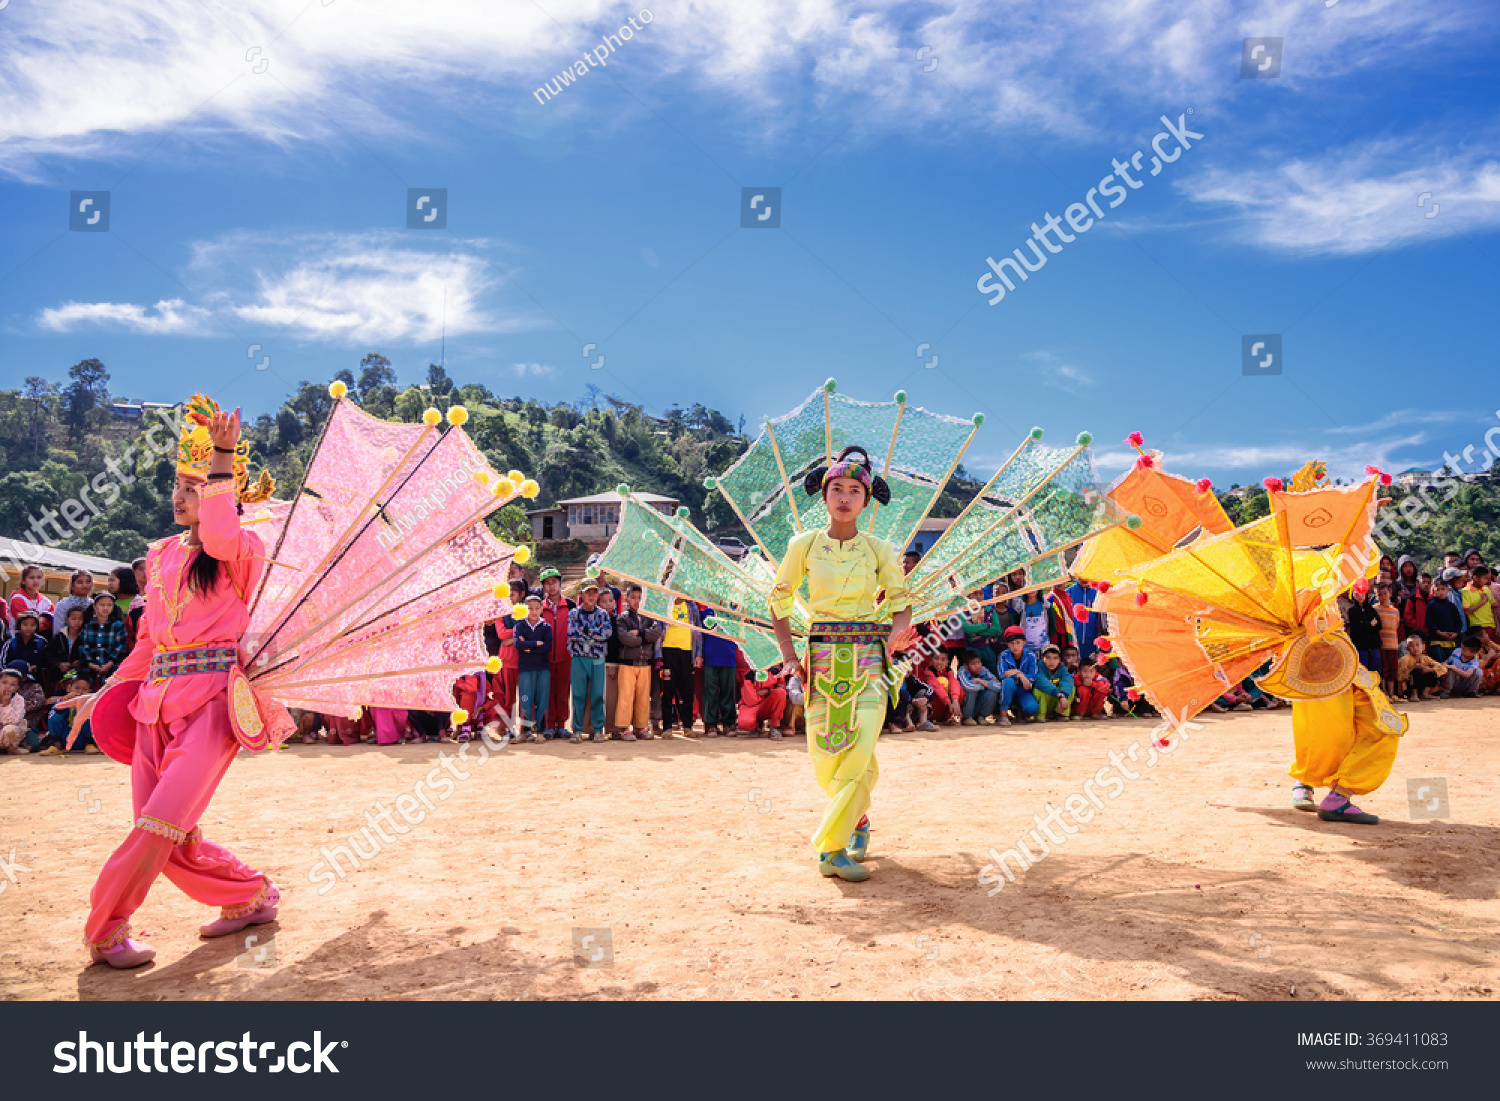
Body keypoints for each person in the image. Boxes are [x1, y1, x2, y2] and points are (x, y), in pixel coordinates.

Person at [60, 400, 281, 968]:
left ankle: (104, 929)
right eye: (178, 485)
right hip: (152, 704)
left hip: (211, 704)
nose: (181, 496)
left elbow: (222, 531)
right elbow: (147, 642)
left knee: (158, 826)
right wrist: (104, 691)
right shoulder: (157, 556)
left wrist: (223, 458)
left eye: (195, 486)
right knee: (168, 835)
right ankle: (249, 896)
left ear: (220, 492)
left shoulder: (240, 552)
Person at [769, 445, 910, 883]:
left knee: (862, 748)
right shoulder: (803, 545)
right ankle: (858, 820)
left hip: (869, 657)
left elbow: (901, 604)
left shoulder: (880, 549)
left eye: (854, 490)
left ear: (867, 500)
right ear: (823, 495)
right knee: (826, 756)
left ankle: (831, 850)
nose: (845, 497)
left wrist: (895, 633)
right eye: (836, 489)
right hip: (821, 658)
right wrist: (790, 657)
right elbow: (780, 602)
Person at [614, 583, 664, 742]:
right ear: (627, 599)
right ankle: (624, 728)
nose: (636, 601)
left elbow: (657, 633)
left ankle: (641, 727)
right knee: (625, 697)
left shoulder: (650, 617)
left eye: (640, 598)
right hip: (627, 663)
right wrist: (646, 639)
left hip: (645, 663)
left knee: (643, 697)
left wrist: (640, 634)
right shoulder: (622, 618)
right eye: (633, 598)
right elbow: (625, 638)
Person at [567, 579, 613, 744]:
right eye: (588, 592)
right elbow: (572, 634)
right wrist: (594, 633)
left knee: (597, 694)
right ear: (581, 594)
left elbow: (606, 633)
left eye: (594, 592)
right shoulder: (574, 613)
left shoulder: (602, 614)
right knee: (578, 694)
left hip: (598, 658)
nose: (591, 595)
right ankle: (577, 730)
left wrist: (585, 631)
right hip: (579, 658)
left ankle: (598, 729)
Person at [657, 596, 702, 736]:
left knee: (687, 691)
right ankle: (667, 727)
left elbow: (698, 631)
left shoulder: (691, 606)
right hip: (668, 651)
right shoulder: (663, 604)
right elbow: (658, 631)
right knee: (667, 690)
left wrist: (698, 654)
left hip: (687, 652)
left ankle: (687, 727)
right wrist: (658, 656)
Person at [537, 568, 572, 739]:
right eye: (547, 583)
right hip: (545, 658)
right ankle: (550, 725)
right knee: (548, 692)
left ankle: (562, 725)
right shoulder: (539, 608)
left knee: (564, 692)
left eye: (554, 582)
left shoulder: (571, 606)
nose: (551, 586)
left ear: (560, 583)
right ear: (543, 586)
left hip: (566, 657)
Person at [514, 592, 553, 741]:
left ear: (542, 609)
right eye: (530, 608)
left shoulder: (546, 627)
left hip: (542, 668)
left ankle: (541, 732)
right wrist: (537, 643)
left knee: (542, 700)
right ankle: (524, 731)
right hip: (525, 668)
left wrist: (528, 646)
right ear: (524, 609)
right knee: (525, 700)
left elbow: (548, 647)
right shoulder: (519, 626)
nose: (534, 611)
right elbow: (518, 644)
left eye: (537, 608)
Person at [36, 671, 99, 755]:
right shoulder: (62, 701)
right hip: (64, 737)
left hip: (82, 738)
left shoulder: (92, 703)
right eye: (76, 688)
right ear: (69, 688)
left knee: (89, 715)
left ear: (90, 692)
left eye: (84, 689)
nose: (80, 692)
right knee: (53, 715)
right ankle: (56, 746)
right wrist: (64, 704)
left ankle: (90, 745)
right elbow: (54, 719)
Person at [700, 612, 740, 737]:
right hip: (710, 657)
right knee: (710, 692)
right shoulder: (706, 613)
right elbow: (699, 636)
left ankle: (728, 723)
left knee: (728, 692)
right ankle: (711, 724)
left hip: (728, 657)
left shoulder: (733, 613)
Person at [77, 592, 128, 681]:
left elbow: (121, 647)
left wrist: (109, 664)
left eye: (109, 605)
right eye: (102, 605)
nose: (105, 608)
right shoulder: (87, 626)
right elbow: (83, 646)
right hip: (88, 673)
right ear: (94, 606)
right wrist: (90, 664)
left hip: (112, 671)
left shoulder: (118, 626)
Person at [996, 625, 1040, 725]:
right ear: (1007, 644)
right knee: (1008, 682)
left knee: (1032, 708)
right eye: (1012, 643)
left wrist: (1019, 675)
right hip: (1008, 689)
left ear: (1024, 642)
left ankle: (1020, 713)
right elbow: (1002, 674)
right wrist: (1019, 674)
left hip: (1023, 689)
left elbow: (1032, 677)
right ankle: (1003, 714)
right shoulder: (1003, 655)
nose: (1015, 646)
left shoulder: (1031, 656)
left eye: (1018, 643)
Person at [45, 604, 89, 689]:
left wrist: (81, 662)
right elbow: (48, 654)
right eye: (73, 619)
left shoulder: (85, 637)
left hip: (79, 677)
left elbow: (90, 653)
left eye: (80, 619)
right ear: (67, 620)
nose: (77, 622)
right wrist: (58, 664)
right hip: (60, 676)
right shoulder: (59, 637)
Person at [956, 650, 1003, 724]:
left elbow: (999, 686)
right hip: (967, 706)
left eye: (979, 663)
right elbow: (968, 686)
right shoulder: (962, 671)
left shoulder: (984, 670)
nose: (977, 666)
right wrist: (988, 685)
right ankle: (967, 717)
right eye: (973, 664)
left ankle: (982, 716)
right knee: (971, 692)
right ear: (966, 666)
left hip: (979, 703)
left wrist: (982, 682)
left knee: (992, 692)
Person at [599, 587, 621, 740]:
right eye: (604, 602)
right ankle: (596, 728)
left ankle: (613, 728)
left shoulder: (619, 620)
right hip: (599, 661)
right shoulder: (596, 619)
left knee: (614, 698)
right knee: (598, 697)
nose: (608, 604)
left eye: (610, 601)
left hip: (615, 662)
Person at [1344, 582, 1382, 673]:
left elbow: (1379, 625)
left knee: (1375, 671)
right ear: (1353, 594)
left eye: (1362, 594)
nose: (1360, 597)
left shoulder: (1371, 609)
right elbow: (1357, 627)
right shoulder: (1352, 610)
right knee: (1362, 671)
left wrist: (1366, 625)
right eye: (1357, 594)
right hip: (1360, 646)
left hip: (1373, 645)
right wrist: (1370, 624)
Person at [738, 668, 787, 734]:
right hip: (752, 705)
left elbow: (782, 688)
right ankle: (756, 726)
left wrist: (768, 691)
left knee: (781, 693)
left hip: (767, 703)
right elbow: (751, 701)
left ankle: (774, 727)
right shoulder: (749, 675)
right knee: (745, 722)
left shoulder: (775, 672)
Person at [1032, 643, 1075, 720]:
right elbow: (1041, 682)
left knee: (1071, 688)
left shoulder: (1062, 668)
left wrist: (1064, 695)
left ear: (1059, 659)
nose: (1052, 661)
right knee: (1037, 691)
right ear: (1042, 659)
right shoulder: (1038, 667)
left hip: (1058, 702)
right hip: (1048, 700)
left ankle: (1061, 714)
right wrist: (1059, 695)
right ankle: (1041, 715)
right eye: (1048, 658)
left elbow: (1068, 681)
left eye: (1055, 658)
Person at [1397, 634, 1446, 701]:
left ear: (1423, 647)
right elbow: (1399, 677)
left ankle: (1425, 693)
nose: (1415, 648)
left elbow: (1443, 668)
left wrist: (1428, 669)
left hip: (1422, 686)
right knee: (1416, 671)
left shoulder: (1426, 658)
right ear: (1407, 648)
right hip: (1408, 687)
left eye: (1417, 645)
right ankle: (1413, 694)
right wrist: (1412, 668)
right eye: (1411, 646)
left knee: (1432, 671)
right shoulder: (1404, 660)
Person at [0, 610, 47, 679]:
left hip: (35, 680)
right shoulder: (11, 643)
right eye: (25, 625)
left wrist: (37, 667)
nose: (29, 628)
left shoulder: (42, 642)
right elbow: (2, 663)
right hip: (13, 680)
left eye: (32, 625)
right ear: (19, 625)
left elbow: (46, 661)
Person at [1425, 578, 1464, 661]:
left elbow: (1458, 622)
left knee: (1453, 664)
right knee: (1440, 665)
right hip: (1436, 640)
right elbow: (1428, 621)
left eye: (1443, 589)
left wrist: (1456, 633)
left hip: (1451, 640)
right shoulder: (1431, 605)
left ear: (1448, 590)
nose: (1441, 592)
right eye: (1438, 590)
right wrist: (1438, 632)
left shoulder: (1452, 606)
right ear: (1434, 591)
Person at [9, 565, 55, 632]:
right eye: (31, 578)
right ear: (23, 581)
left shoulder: (46, 602)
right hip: (19, 639)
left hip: (43, 640)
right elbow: (27, 624)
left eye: (39, 577)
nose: (36, 581)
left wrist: (40, 621)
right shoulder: (17, 599)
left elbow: (54, 621)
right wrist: (44, 620)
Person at [1374, 582, 1401, 696]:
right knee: (1383, 669)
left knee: (1393, 669)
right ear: (1376, 596)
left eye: (1385, 593)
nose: (1383, 597)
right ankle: (1383, 692)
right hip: (1381, 645)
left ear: (1390, 593)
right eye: (1380, 595)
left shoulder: (1395, 611)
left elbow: (1397, 626)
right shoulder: (1374, 609)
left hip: (1393, 645)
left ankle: (1391, 693)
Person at [1461, 565, 1498, 645]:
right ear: (1475, 578)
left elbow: (1494, 608)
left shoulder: (1486, 589)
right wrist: (1483, 602)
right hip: (1478, 629)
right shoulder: (1466, 591)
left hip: (1492, 626)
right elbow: (1467, 611)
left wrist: (1497, 626)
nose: (1488, 581)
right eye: (1485, 578)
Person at [0, 666, 28, 754]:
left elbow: (13, 721)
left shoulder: (19, 700)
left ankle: (12, 748)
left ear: (17, 688)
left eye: (12, 685)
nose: (7, 687)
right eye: (4, 682)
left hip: (8, 734)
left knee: (10, 730)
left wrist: (6, 705)